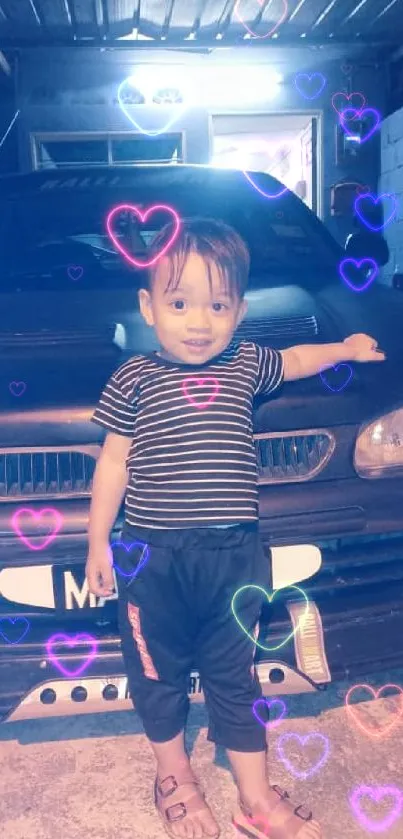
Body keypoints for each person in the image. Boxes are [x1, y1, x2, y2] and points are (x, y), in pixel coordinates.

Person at [86, 217, 385, 839]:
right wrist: (97, 543)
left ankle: (253, 799)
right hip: (151, 558)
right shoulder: (133, 379)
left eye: (217, 305)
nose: (199, 321)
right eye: (179, 303)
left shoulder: (247, 362)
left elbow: (298, 359)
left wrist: (346, 349)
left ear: (240, 309)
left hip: (234, 555)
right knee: (154, 672)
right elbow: (114, 462)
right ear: (149, 306)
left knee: (234, 672)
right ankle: (174, 776)